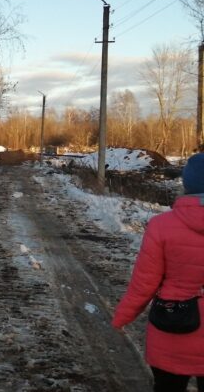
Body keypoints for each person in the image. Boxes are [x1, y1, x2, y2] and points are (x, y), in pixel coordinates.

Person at [112, 152, 204, 391]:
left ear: (187, 183)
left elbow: (145, 283)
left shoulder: (161, 226)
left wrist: (122, 316)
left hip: (175, 327)